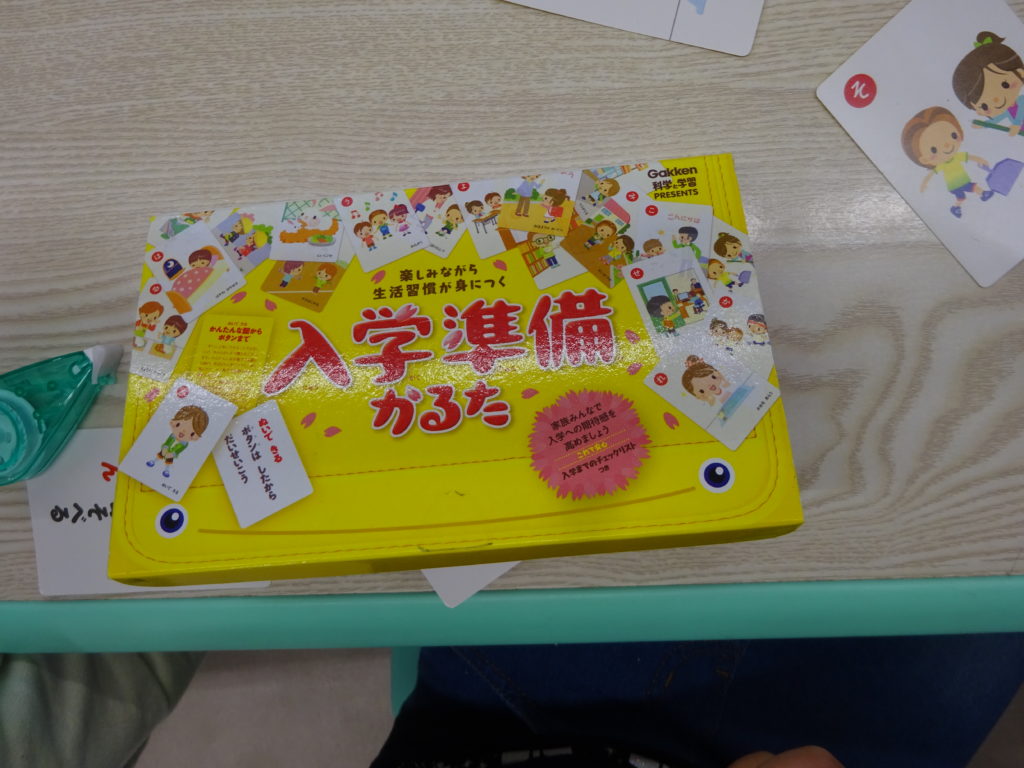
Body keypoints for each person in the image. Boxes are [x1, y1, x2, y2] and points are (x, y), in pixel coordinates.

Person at [901, 106, 994, 218]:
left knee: (971, 189)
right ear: (924, 160)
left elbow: (970, 157)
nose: (946, 145)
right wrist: (924, 183)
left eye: (953, 135)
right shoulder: (942, 165)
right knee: (963, 196)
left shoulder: (957, 156)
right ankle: (958, 206)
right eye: (933, 149)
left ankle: (980, 195)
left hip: (963, 181)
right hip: (954, 185)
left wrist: (981, 160)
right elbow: (931, 174)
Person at [953, 32, 1024, 136]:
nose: (997, 100)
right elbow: (997, 119)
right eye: (984, 106)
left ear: (1021, 73)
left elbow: (1021, 111)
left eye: (1005, 85)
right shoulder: (1008, 110)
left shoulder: (1021, 101)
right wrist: (985, 124)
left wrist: (1017, 124)